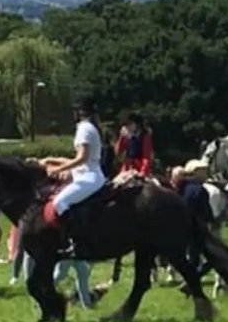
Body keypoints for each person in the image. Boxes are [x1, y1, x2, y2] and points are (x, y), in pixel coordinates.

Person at [42, 98, 107, 256]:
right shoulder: (91, 127)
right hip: (89, 175)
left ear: (79, 112)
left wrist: (59, 170)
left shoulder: (84, 128)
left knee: (59, 202)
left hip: (89, 177)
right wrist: (53, 161)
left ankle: (76, 241)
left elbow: (82, 158)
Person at [115, 113, 153, 177]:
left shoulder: (145, 137)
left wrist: (143, 171)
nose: (128, 126)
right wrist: (121, 137)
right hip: (126, 169)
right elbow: (118, 152)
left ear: (137, 125)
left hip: (139, 168)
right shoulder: (127, 137)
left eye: (130, 124)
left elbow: (146, 157)